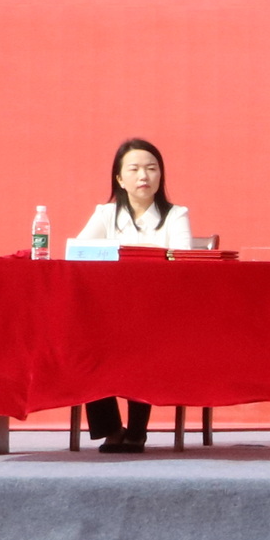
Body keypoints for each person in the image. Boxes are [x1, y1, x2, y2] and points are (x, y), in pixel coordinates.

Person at [71, 135, 190, 452]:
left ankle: (137, 431)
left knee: (142, 339)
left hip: (158, 313)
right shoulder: (105, 215)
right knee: (85, 340)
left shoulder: (176, 215)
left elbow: (183, 260)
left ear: (160, 175)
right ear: (120, 179)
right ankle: (111, 428)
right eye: (134, 169)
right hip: (110, 311)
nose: (143, 176)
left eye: (151, 168)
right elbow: (77, 253)